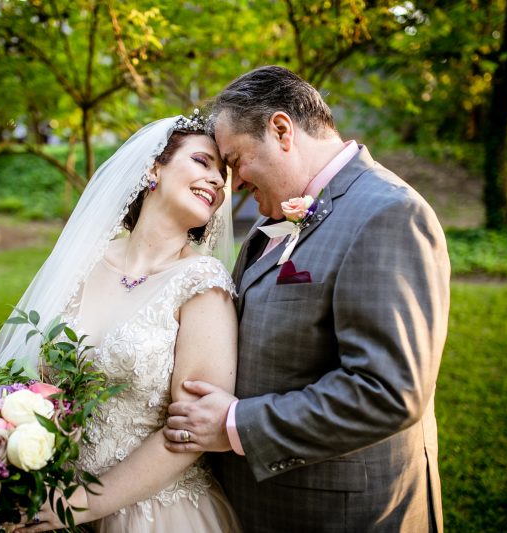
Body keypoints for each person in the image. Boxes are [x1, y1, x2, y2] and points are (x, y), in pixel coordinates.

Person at [0, 114, 242, 533]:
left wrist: (81, 502)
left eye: (223, 173)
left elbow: (190, 432)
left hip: (153, 514)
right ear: (154, 167)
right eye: (203, 162)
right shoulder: (84, 262)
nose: (217, 180)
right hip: (47, 499)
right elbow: (28, 380)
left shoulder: (204, 284)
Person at [163, 66, 451, 532]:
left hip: (344, 513)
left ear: (281, 130)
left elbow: (387, 392)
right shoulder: (268, 223)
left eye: (235, 160)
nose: (232, 183)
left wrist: (236, 424)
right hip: (264, 505)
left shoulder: (389, 213)